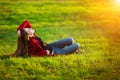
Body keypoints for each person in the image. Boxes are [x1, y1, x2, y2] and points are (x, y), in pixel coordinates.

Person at [10, 20, 80, 57]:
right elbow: (33, 55)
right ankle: (72, 50)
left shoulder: (33, 35)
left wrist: (19, 30)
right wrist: (46, 53)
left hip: (52, 46)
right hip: (55, 52)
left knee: (71, 39)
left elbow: (26, 22)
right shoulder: (32, 43)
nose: (30, 27)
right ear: (29, 35)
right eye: (28, 29)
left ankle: (72, 50)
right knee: (77, 45)